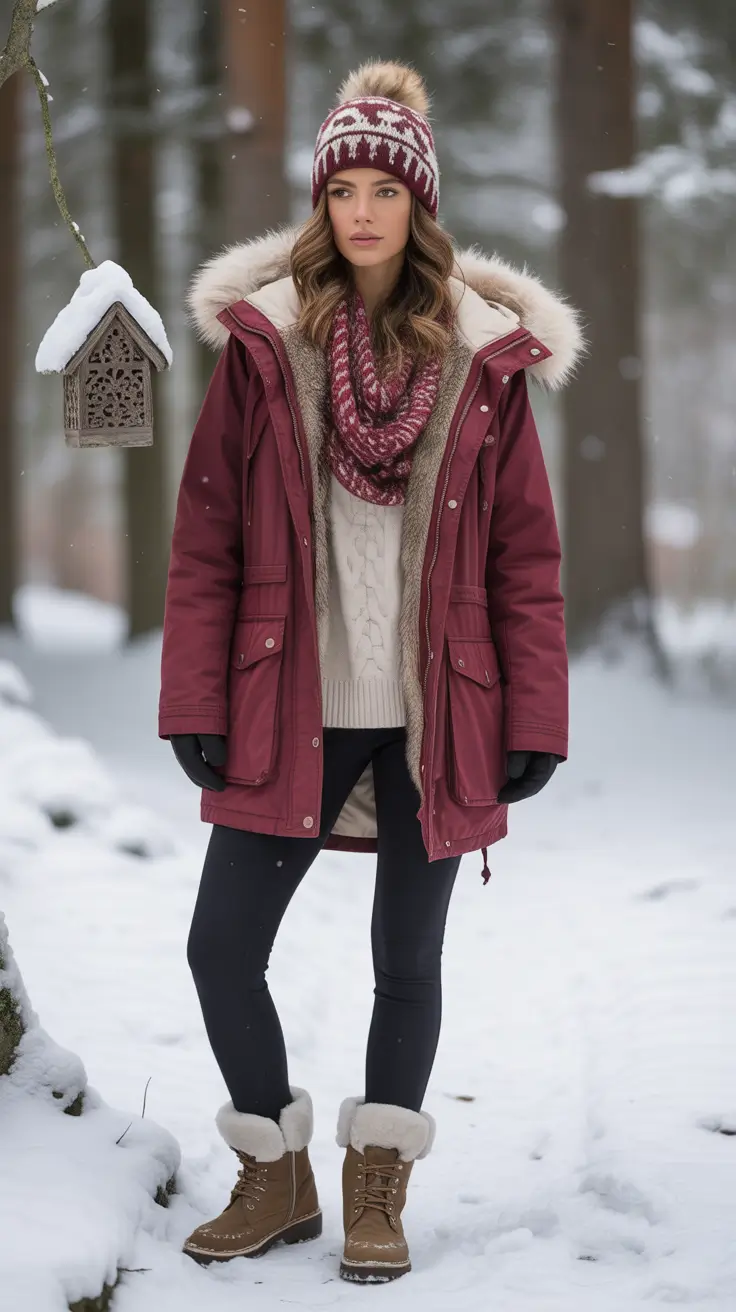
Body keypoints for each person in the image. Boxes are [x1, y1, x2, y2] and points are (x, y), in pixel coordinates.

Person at [158, 59, 582, 1283]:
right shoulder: (262, 351)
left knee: (408, 961)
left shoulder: (482, 365)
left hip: (434, 713)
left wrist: (536, 716)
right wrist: (193, 697)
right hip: (285, 699)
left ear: (417, 208)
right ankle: (275, 1171)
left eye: (381, 191)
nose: (359, 210)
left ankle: (377, 1185)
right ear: (318, 203)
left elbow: (525, 563)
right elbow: (206, 545)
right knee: (219, 950)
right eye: (338, 186)